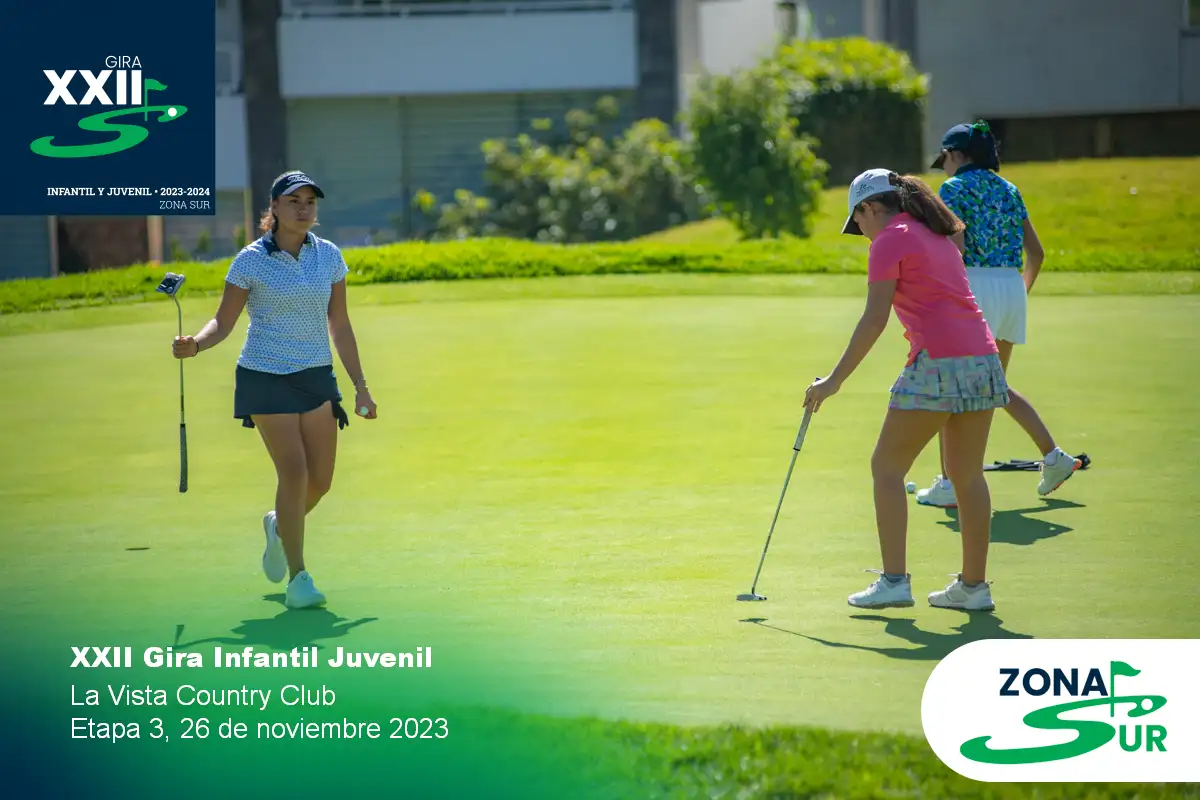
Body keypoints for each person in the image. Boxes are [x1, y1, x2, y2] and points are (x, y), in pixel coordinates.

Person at [171, 170, 377, 609]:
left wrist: (361, 386)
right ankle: (299, 579)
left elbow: (339, 324)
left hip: (315, 375)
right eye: (293, 201)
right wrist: (197, 344)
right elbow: (223, 321)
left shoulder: (329, 256)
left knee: (321, 482)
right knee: (295, 472)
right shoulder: (250, 260)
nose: (303, 209)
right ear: (275, 209)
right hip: (265, 376)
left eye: (310, 202)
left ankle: (279, 525)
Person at [804, 168, 1007, 612]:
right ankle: (974, 588)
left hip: (938, 361)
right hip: (982, 358)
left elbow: (874, 319)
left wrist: (833, 381)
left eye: (858, 219)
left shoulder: (889, 240)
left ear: (870, 206)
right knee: (967, 475)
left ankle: (894, 582)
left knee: (886, 467)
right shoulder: (936, 232)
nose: (860, 229)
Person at [913, 121, 1080, 509]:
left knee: (952, 388)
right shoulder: (1009, 189)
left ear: (957, 155)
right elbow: (1036, 253)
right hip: (1010, 289)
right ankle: (1054, 458)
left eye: (946, 158)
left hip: (973, 287)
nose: (945, 167)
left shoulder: (953, 188)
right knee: (993, 387)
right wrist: (1017, 293)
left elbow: (955, 248)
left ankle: (950, 483)